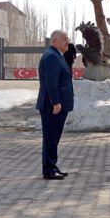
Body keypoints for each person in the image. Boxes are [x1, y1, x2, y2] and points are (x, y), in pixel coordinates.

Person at [36, 30, 74, 180]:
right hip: (52, 106)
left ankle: (52, 165)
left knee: (53, 138)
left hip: (56, 104)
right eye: (65, 40)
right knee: (51, 137)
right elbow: (51, 82)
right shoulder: (52, 56)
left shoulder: (57, 55)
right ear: (55, 40)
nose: (67, 42)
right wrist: (56, 102)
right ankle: (49, 170)